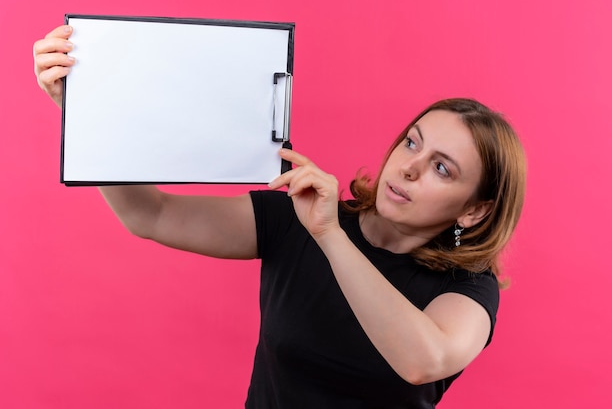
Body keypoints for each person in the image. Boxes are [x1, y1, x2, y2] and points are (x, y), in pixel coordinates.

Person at [34, 25, 527, 408]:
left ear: (476, 207)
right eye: (412, 142)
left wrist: (330, 234)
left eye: (442, 168)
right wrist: (86, 117)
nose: (410, 167)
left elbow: (423, 360)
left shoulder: (468, 288)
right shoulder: (296, 216)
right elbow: (150, 213)